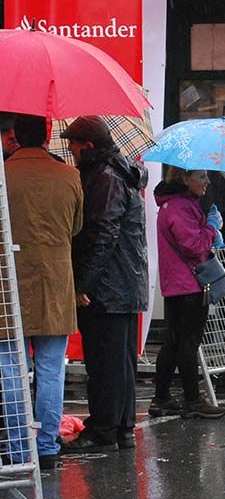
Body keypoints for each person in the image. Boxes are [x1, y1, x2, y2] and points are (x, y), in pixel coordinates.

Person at [62, 116, 149, 453]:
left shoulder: (104, 178)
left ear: (89, 146)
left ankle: (103, 430)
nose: (71, 151)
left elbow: (102, 234)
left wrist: (84, 283)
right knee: (122, 362)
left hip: (108, 286)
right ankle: (122, 428)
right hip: (127, 282)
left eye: (74, 145)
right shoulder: (123, 174)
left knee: (104, 363)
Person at [3, 114, 83, 470]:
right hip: (56, 280)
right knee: (52, 369)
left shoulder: (4, 175)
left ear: (15, 136)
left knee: (10, 368)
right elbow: (77, 226)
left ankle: (18, 449)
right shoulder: (69, 176)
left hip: (9, 282)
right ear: (47, 135)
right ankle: (47, 446)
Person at [151, 167, 225, 420]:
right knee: (188, 342)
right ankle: (192, 400)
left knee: (173, 342)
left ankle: (161, 397)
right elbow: (193, 245)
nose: (206, 182)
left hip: (177, 282)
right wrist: (212, 229)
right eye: (201, 177)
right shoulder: (181, 207)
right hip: (189, 283)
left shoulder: (173, 204)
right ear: (185, 178)